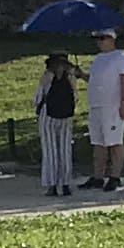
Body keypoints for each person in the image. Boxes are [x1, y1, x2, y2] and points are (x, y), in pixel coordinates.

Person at [85, 27, 124, 190]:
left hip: (112, 107)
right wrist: (80, 74)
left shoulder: (121, 58)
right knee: (98, 142)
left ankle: (115, 177)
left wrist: (123, 103)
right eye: (97, 39)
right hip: (96, 106)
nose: (99, 42)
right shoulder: (98, 60)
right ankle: (98, 176)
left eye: (102, 38)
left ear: (111, 39)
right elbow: (94, 80)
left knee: (115, 142)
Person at [33, 49, 82, 196]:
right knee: (65, 150)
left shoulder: (47, 77)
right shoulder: (70, 77)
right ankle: (65, 184)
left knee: (50, 151)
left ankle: (52, 185)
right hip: (66, 116)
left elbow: (37, 98)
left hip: (48, 115)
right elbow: (76, 97)